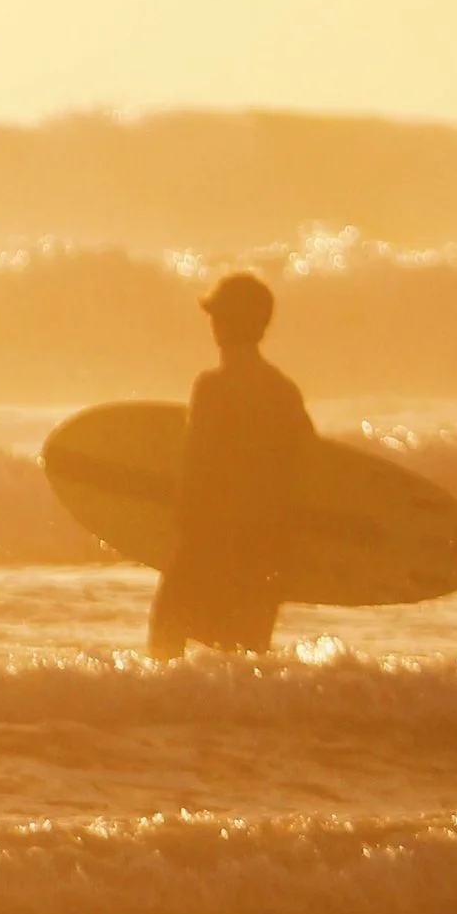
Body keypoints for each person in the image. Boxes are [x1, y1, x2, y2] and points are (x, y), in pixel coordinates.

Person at [148, 268, 313, 656]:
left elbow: (197, 465)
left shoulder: (212, 388)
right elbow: (304, 465)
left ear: (223, 323)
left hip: (209, 540)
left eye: (216, 315)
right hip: (262, 547)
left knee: (165, 638)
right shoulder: (283, 391)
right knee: (244, 656)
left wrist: (180, 531)